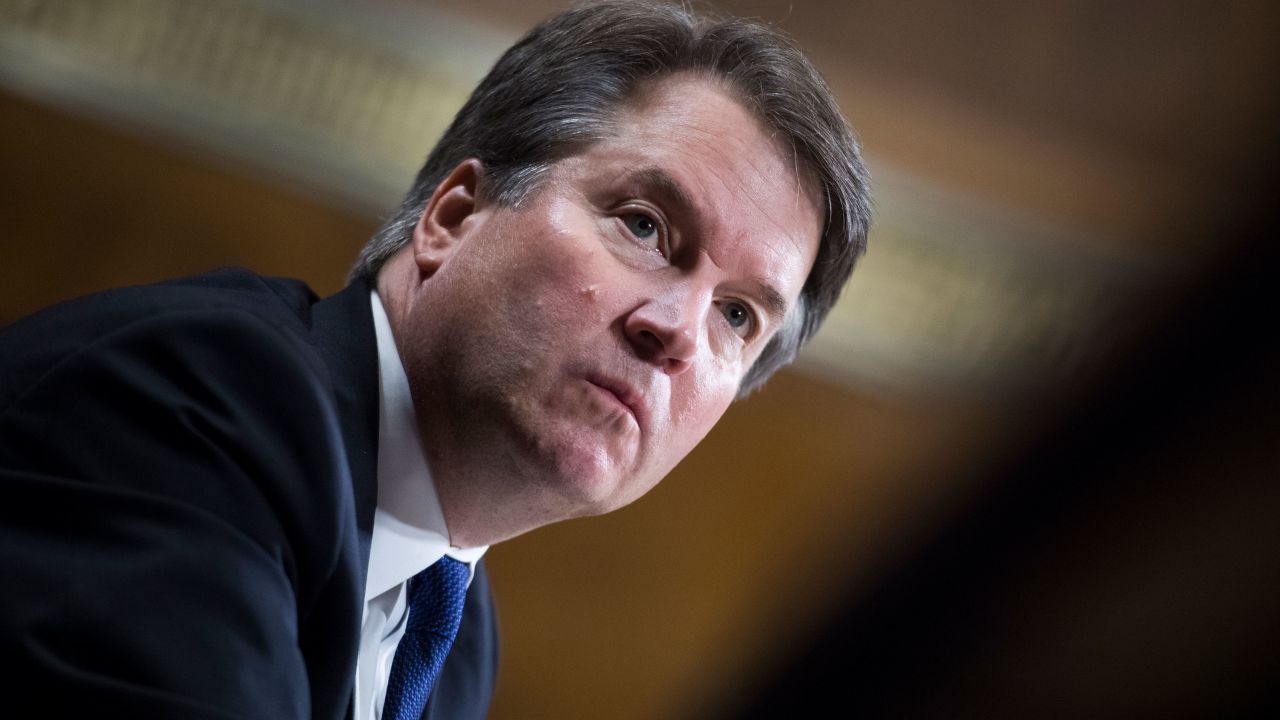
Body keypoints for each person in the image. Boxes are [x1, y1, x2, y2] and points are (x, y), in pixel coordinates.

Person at [0, 1, 870, 718]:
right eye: (644, 226)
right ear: (454, 215)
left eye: (738, 316)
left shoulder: (450, 633)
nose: (678, 331)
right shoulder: (202, 399)